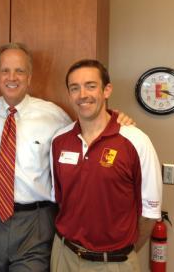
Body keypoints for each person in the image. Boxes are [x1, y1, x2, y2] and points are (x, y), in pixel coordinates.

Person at [0, 43, 133, 271]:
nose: (12, 77)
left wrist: (117, 118)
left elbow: (89, 129)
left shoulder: (54, 116)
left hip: (35, 222)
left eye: (19, 71)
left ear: (29, 77)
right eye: (5, 71)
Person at [50, 59, 162, 272]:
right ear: (69, 94)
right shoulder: (59, 140)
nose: (83, 94)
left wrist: (121, 255)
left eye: (91, 86)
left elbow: (148, 215)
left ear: (107, 90)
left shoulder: (136, 141)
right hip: (64, 257)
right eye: (75, 88)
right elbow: (61, 201)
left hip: (115, 262)